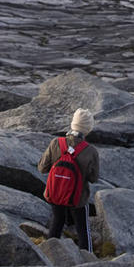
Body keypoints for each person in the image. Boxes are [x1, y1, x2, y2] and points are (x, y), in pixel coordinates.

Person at [38, 108, 99, 252]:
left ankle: (48, 253)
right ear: (88, 129)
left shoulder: (55, 143)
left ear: (73, 124)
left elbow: (42, 168)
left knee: (57, 222)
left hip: (55, 194)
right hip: (78, 198)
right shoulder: (91, 151)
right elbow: (94, 178)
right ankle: (88, 261)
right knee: (83, 230)